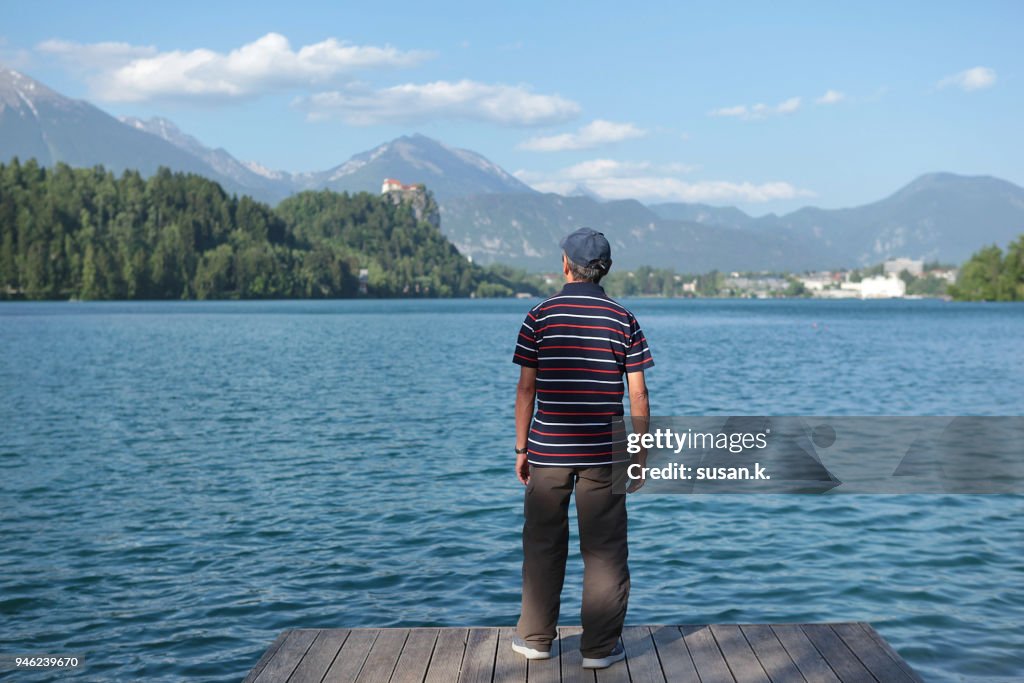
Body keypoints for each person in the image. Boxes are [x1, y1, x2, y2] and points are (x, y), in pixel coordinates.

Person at [510, 227, 653, 670]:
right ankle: (600, 649)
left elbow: (526, 390)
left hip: (548, 450)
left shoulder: (539, 315)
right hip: (604, 453)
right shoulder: (623, 319)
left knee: (542, 543)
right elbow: (639, 395)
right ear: (604, 269)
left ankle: (536, 639)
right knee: (605, 549)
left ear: (566, 266)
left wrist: (521, 449)